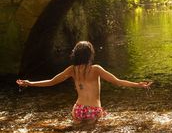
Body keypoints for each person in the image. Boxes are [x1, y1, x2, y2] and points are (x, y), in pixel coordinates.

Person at [16, 41, 152, 125]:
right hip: (93, 110)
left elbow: (51, 82)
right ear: (90, 55)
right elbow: (116, 82)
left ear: (75, 54)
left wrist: (30, 83)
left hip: (78, 109)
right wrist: (137, 84)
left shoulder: (72, 70)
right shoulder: (96, 69)